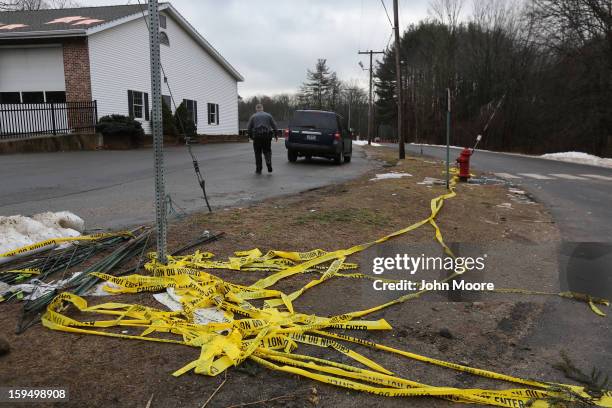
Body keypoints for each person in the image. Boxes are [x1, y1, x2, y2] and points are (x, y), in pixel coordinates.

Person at [247, 104, 278, 174]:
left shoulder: (253, 116)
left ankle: (259, 169)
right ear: (262, 108)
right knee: (267, 151)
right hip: (267, 137)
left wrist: (250, 136)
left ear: (256, 109)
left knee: (258, 153)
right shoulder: (268, 115)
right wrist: (276, 134)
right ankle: (269, 163)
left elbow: (249, 127)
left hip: (257, 137)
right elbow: (274, 125)